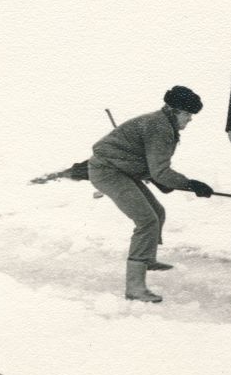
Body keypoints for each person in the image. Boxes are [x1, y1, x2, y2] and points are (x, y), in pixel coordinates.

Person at [88, 86, 215, 303]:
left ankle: (148, 259)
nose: (190, 119)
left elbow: (151, 165)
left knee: (157, 211)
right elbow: (161, 171)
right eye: (188, 114)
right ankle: (135, 288)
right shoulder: (160, 127)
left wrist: (164, 180)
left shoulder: (162, 122)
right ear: (174, 110)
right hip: (108, 171)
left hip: (122, 169)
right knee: (146, 221)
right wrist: (190, 184)